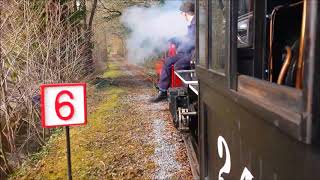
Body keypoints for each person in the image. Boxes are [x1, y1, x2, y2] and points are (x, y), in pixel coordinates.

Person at [150, 1, 195, 103]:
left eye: (182, 14)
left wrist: (178, 41)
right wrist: (174, 39)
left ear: (185, 13)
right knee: (167, 61)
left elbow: (192, 41)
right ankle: (163, 91)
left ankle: (188, 90)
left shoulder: (195, 23)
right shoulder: (192, 22)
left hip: (193, 54)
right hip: (187, 52)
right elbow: (188, 39)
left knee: (178, 65)